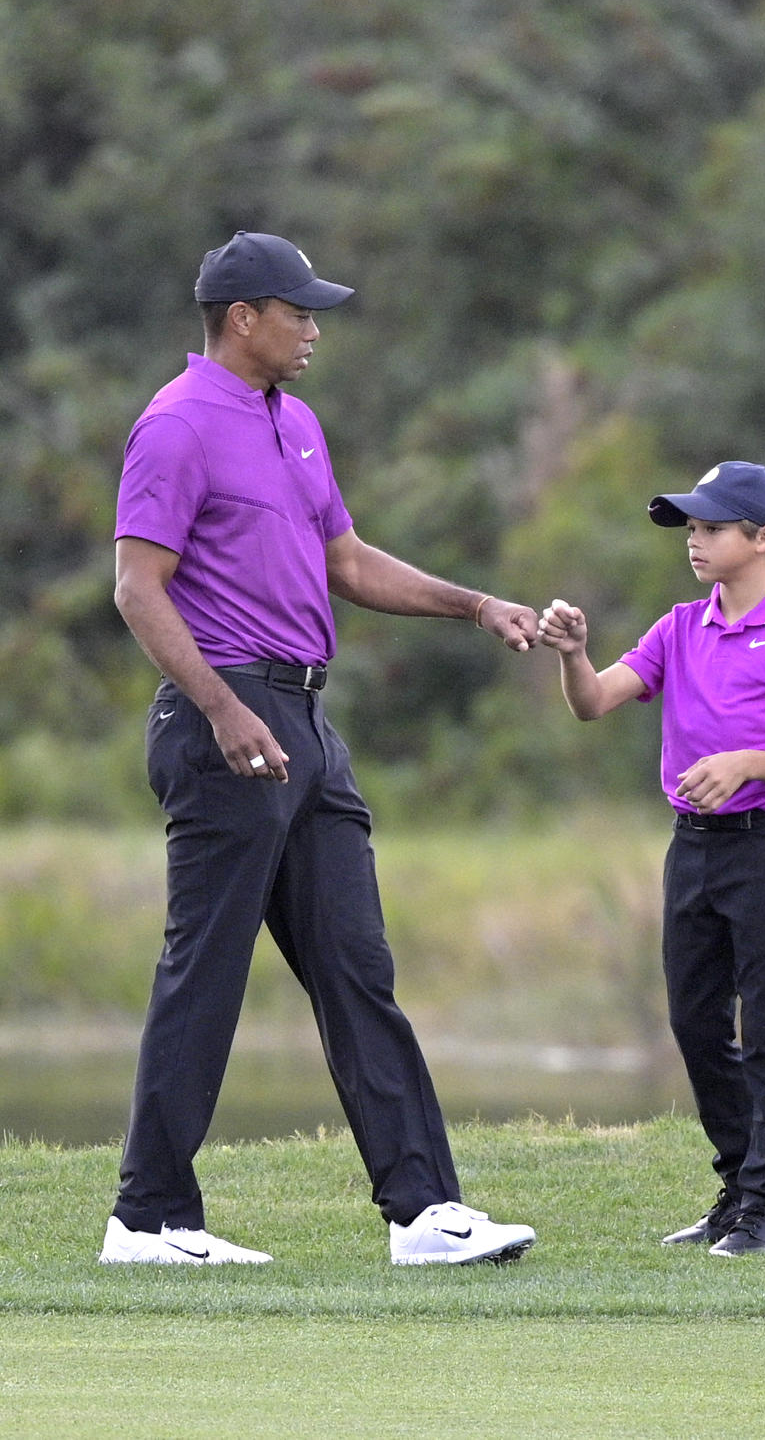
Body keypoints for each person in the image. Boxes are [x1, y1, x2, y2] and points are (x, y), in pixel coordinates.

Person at [99, 230, 538, 1268]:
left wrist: (474, 605)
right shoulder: (174, 426)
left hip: (304, 722)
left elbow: (345, 559)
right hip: (227, 721)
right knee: (205, 970)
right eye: (298, 312)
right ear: (241, 318)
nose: (313, 329)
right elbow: (136, 587)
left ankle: (424, 1213)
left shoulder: (294, 422)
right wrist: (217, 706)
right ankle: (149, 1219)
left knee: (355, 964)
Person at [538, 461, 765, 1256]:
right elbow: (593, 702)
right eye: (691, 527)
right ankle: (737, 1189)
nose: (696, 540)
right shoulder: (679, 625)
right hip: (694, 851)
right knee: (693, 1019)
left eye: (712, 527)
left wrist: (749, 761)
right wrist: (574, 653)